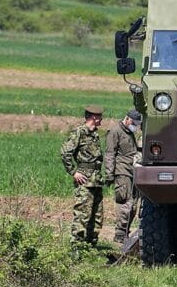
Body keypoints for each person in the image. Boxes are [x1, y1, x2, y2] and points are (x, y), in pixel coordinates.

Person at [60, 104, 105, 248]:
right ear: (93, 117)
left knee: (97, 216)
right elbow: (65, 152)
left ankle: (91, 245)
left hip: (96, 180)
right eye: (99, 117)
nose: (101, 119)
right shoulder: (79, 132)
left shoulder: (94, 134)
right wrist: (74, 172)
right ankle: (77, 247)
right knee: (82, 215)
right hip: (84, 181)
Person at [104, 108, 142, 244]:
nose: (135, 126)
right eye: (134, 123)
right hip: (122, 172)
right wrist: (109, 174)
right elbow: (109, 154)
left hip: (132, 172)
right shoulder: (115, 131)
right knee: (124, 203)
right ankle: (120, 233)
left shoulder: (130, 132)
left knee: (133, 206)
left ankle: (125, 232)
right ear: (127, 119)